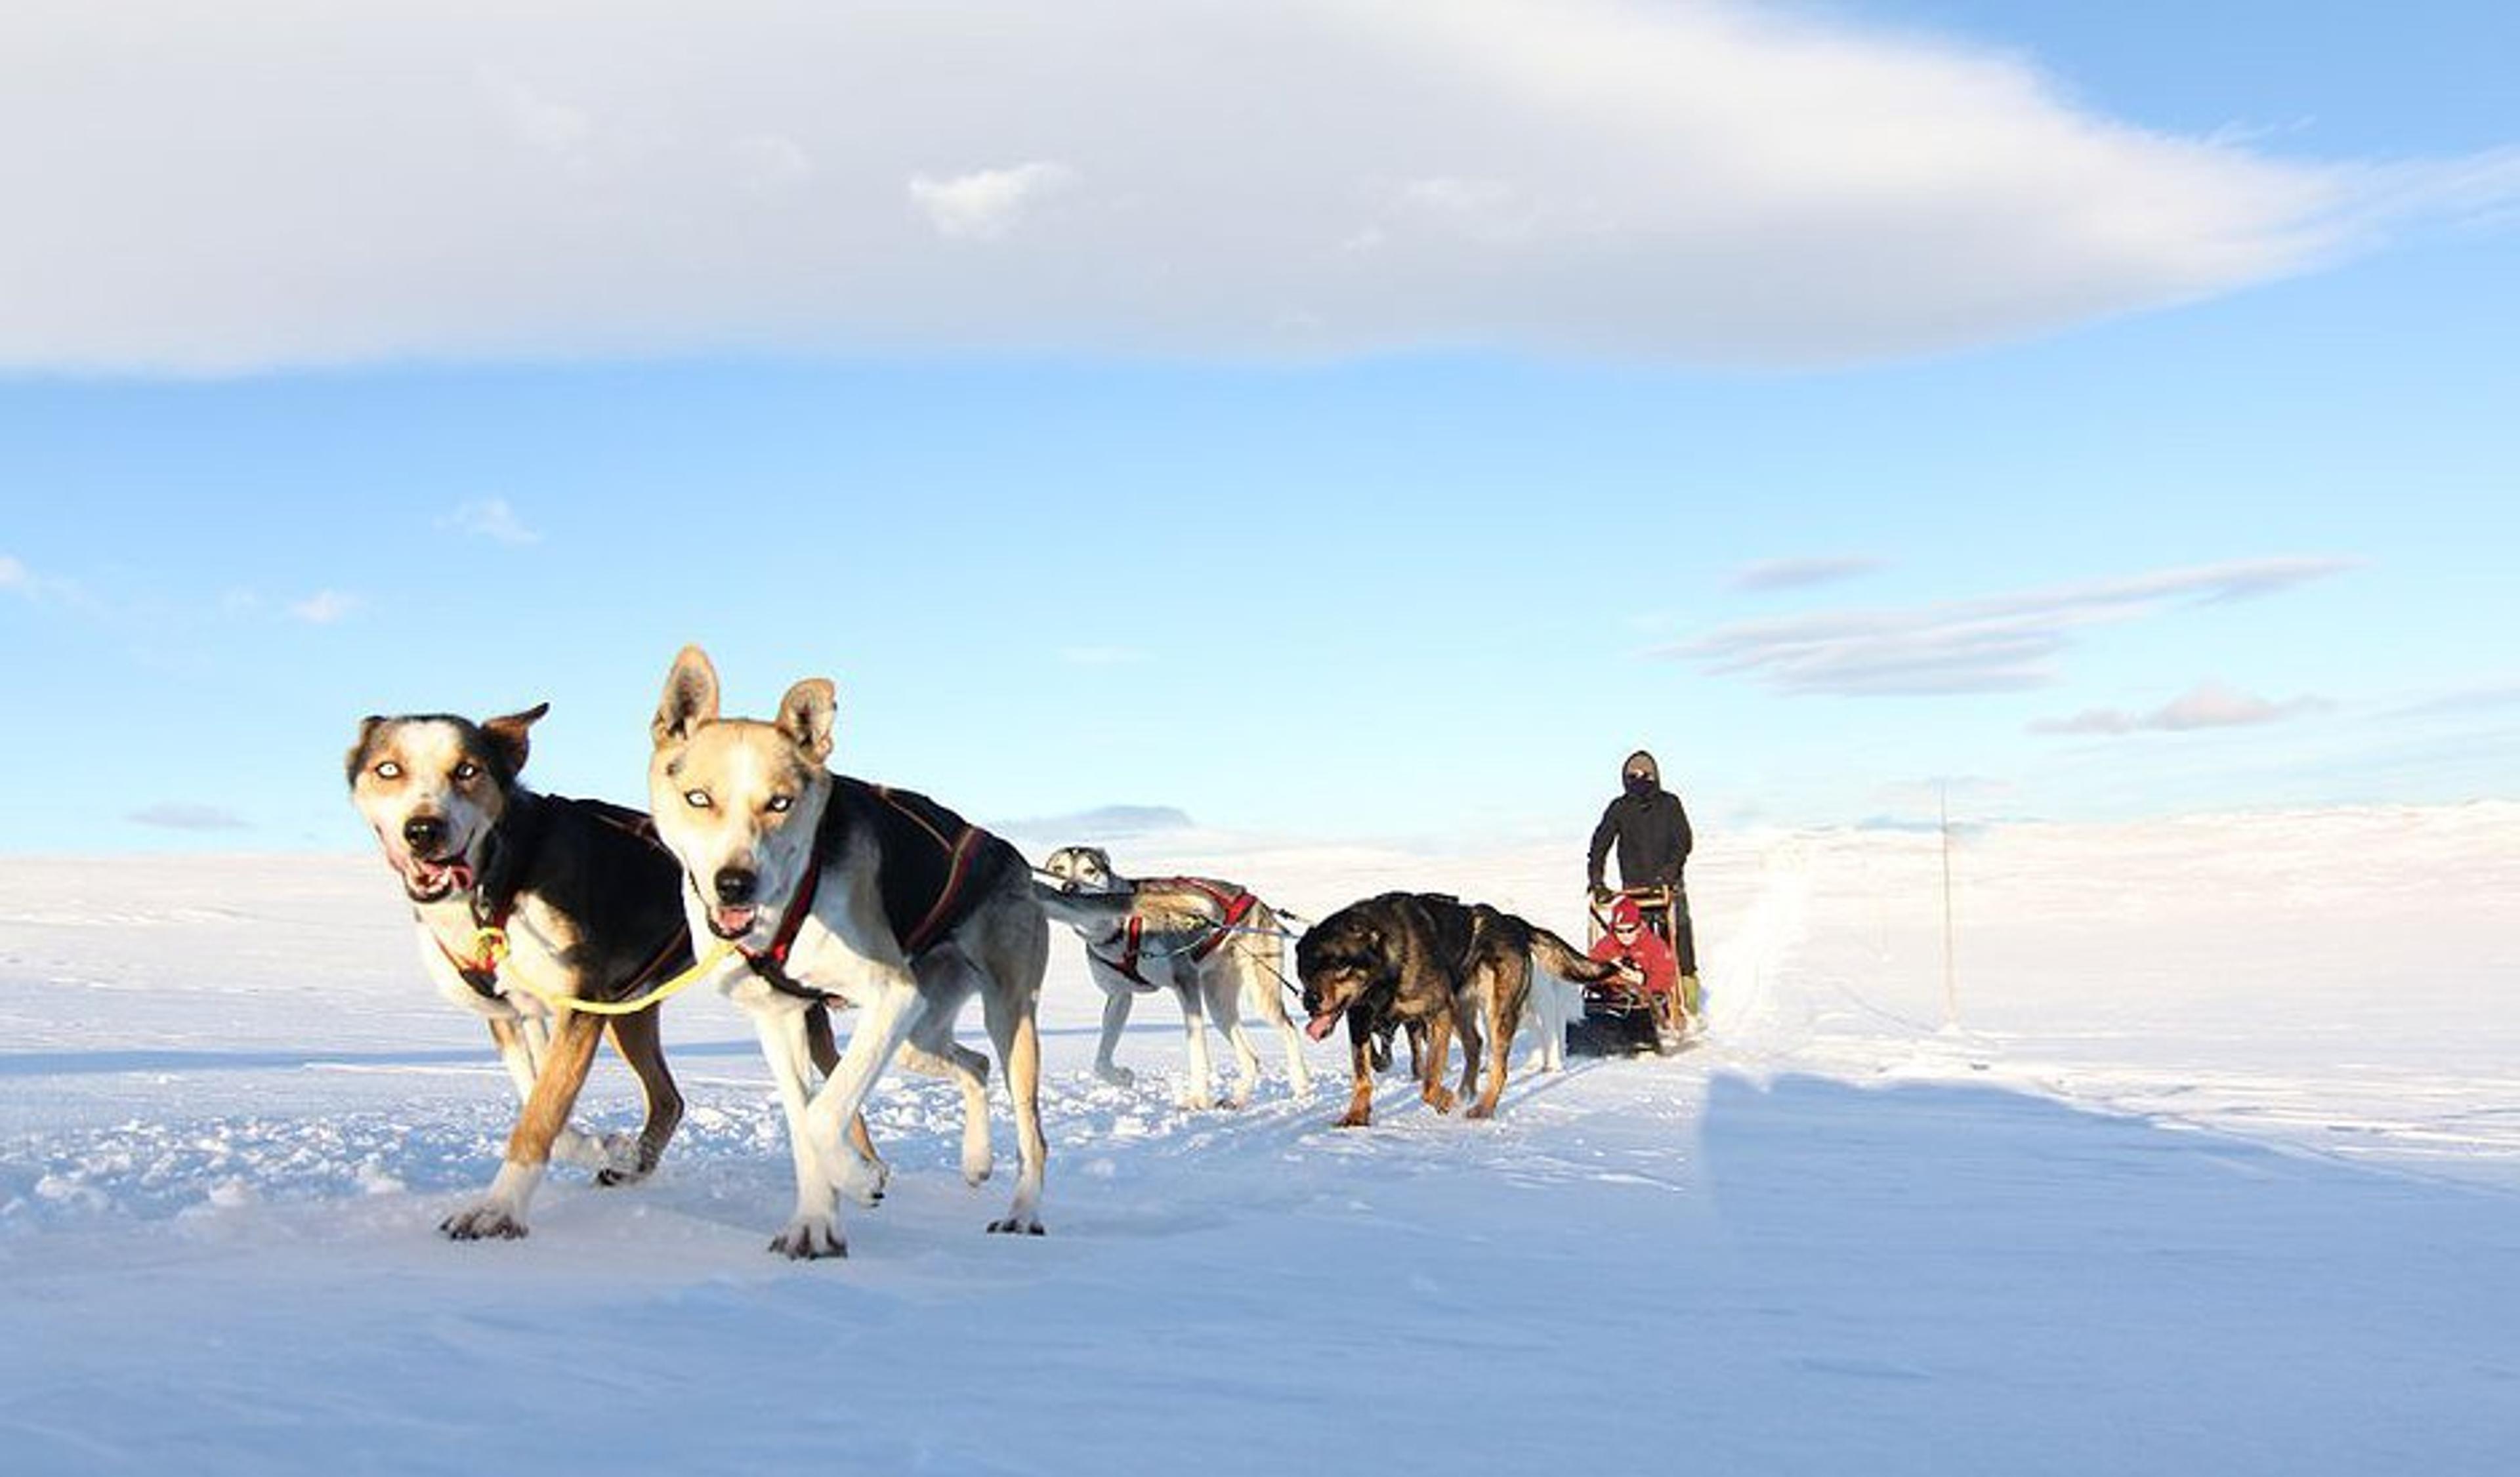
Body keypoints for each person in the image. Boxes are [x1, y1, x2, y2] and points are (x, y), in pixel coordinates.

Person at [1586, 748, 1700, 1018]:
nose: (1639, 779)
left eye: (1645, 774)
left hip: (1668, 887)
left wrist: (1669, 875)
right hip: (1635, 890)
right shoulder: (1620, 808)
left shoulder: (1670, 804)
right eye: (1633, 775)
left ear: (1655, 776)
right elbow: (1600, 843)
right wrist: (1597, 881)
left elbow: (1683, 842)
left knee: (1678, 943)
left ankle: (1688, 1003)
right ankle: (1635, 1000)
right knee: (1634, 943)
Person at [1587, 894, 1683, 1035]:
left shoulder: (1654, 946)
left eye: (1629, 930)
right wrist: (1606, 969)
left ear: (1638, 927)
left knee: (1648, 1002)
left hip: (1647, 1001)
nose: (1625, 935)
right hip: (1614, 999)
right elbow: (1590, 970)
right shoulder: (1606, 945)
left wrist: (1643, 978)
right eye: (1620, 930)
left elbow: (1667, 978)